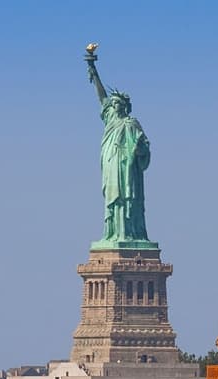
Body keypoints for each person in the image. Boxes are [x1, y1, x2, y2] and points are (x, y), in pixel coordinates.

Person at [87, 51, 151, 242]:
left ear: (124, 105)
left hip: (128, 167)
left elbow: (145, 150)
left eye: (117, 103)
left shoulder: (132, 124)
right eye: (112, 104)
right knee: (113, 199)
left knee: (128, 199)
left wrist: (139, 151)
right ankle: (114, 233)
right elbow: (101, 97)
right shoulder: (111, 119)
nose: (113, 106)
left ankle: (130, 233)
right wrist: (93, 70)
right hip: (111, 162)